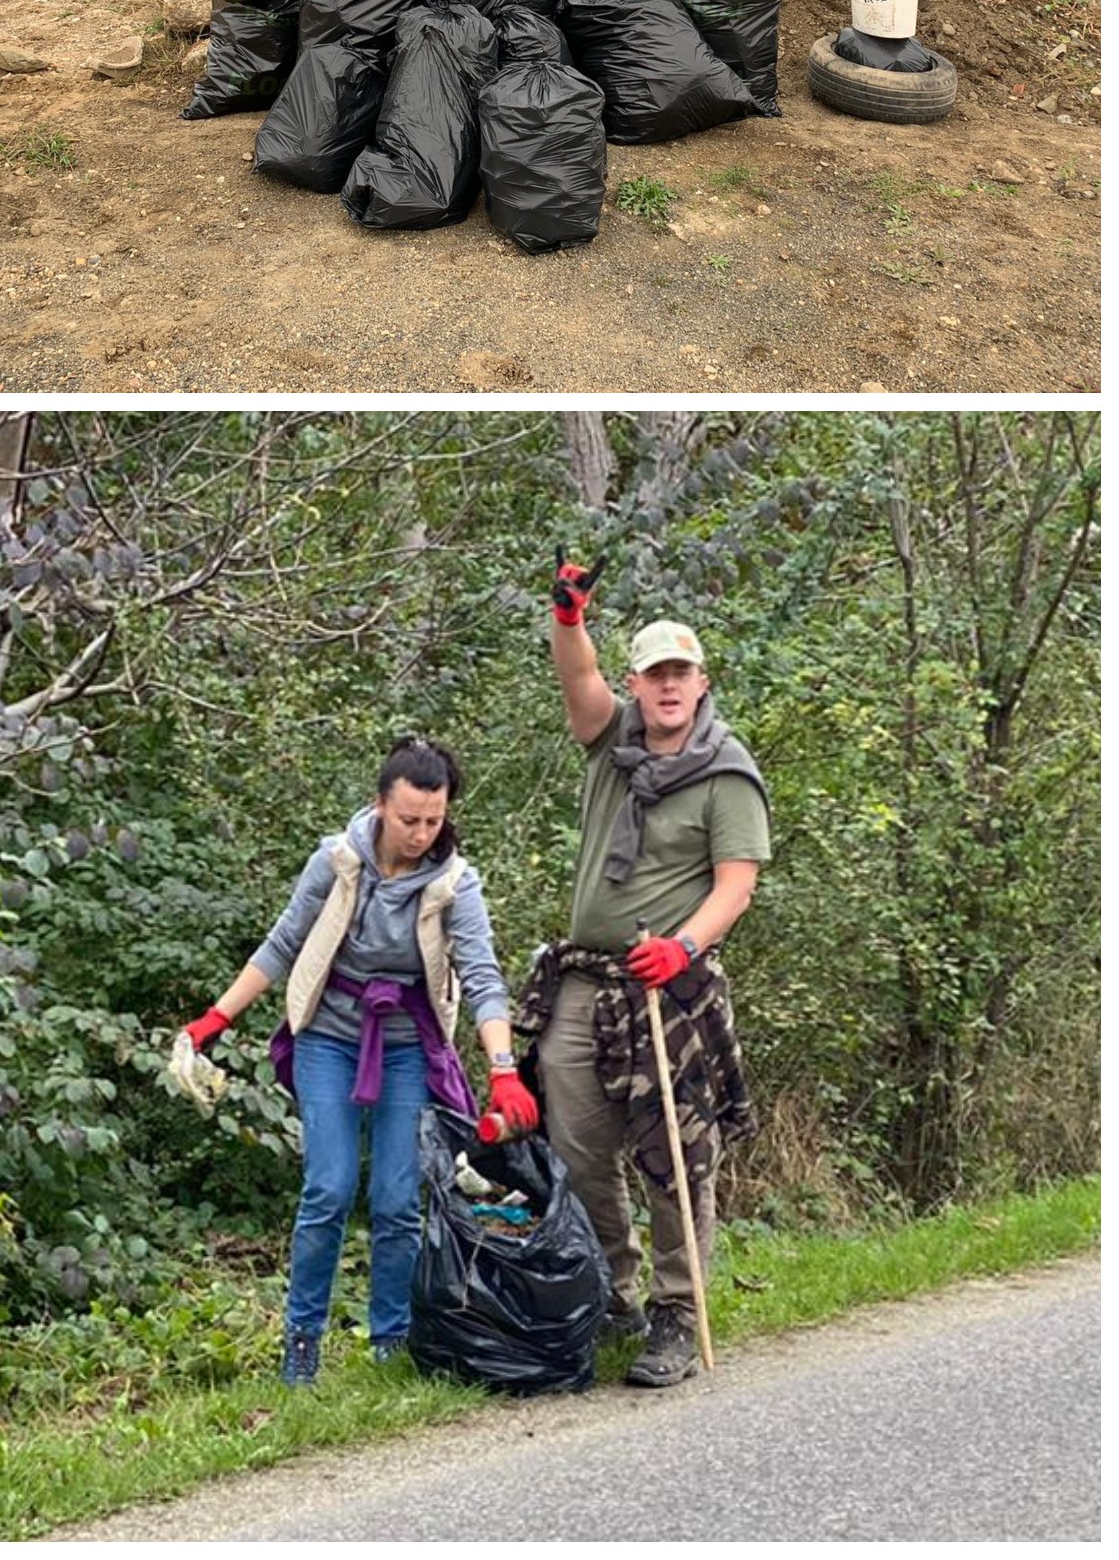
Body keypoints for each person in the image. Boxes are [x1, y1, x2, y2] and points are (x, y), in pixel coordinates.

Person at [176, 738, 531, 1385]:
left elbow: (482, 978)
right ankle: (302, 1342)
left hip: (405, 1047)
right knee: (330, 1185)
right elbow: (283, 941)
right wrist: (215, 1019)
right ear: (379, 805)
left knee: (398, 1197)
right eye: (409, 819)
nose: (423, 832)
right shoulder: (338, 861)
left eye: (435, 819)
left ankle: (390, 1341)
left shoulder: (455, 882)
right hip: (328, 1038)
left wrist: (503, 1068)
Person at [520, 560, 765, 1389]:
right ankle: (613, 1288)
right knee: (576, 1140)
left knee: (673, 1148)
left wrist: (684, 947)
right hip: (587, 979)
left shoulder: (726, 769)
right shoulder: (611, 741)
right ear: (638, 681)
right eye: (654, 673)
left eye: (680, 673)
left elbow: (736, 883)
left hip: (669, 987)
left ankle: (677, 1307)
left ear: (701, 683)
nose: (667, 686)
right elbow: (577, 675)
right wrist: (567, 612)